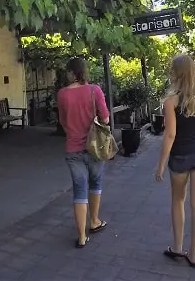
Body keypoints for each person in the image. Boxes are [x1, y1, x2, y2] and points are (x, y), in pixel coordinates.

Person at [154, 54, 195, 268]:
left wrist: (161, 164)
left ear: (176, 73)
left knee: (178, 200)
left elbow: (170, 135)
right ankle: (194, 254)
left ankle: (178, 248)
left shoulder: (171, 101)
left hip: (180, 156)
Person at [57, 57, 111, 248]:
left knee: (79, 190)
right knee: (95, 183)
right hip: (94, 147)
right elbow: (105, 118)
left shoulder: (62, 94)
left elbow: (63, 122)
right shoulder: (94, 90)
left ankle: (81, 237)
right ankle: (94, 221)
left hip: (73, 148)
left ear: (71, 72)